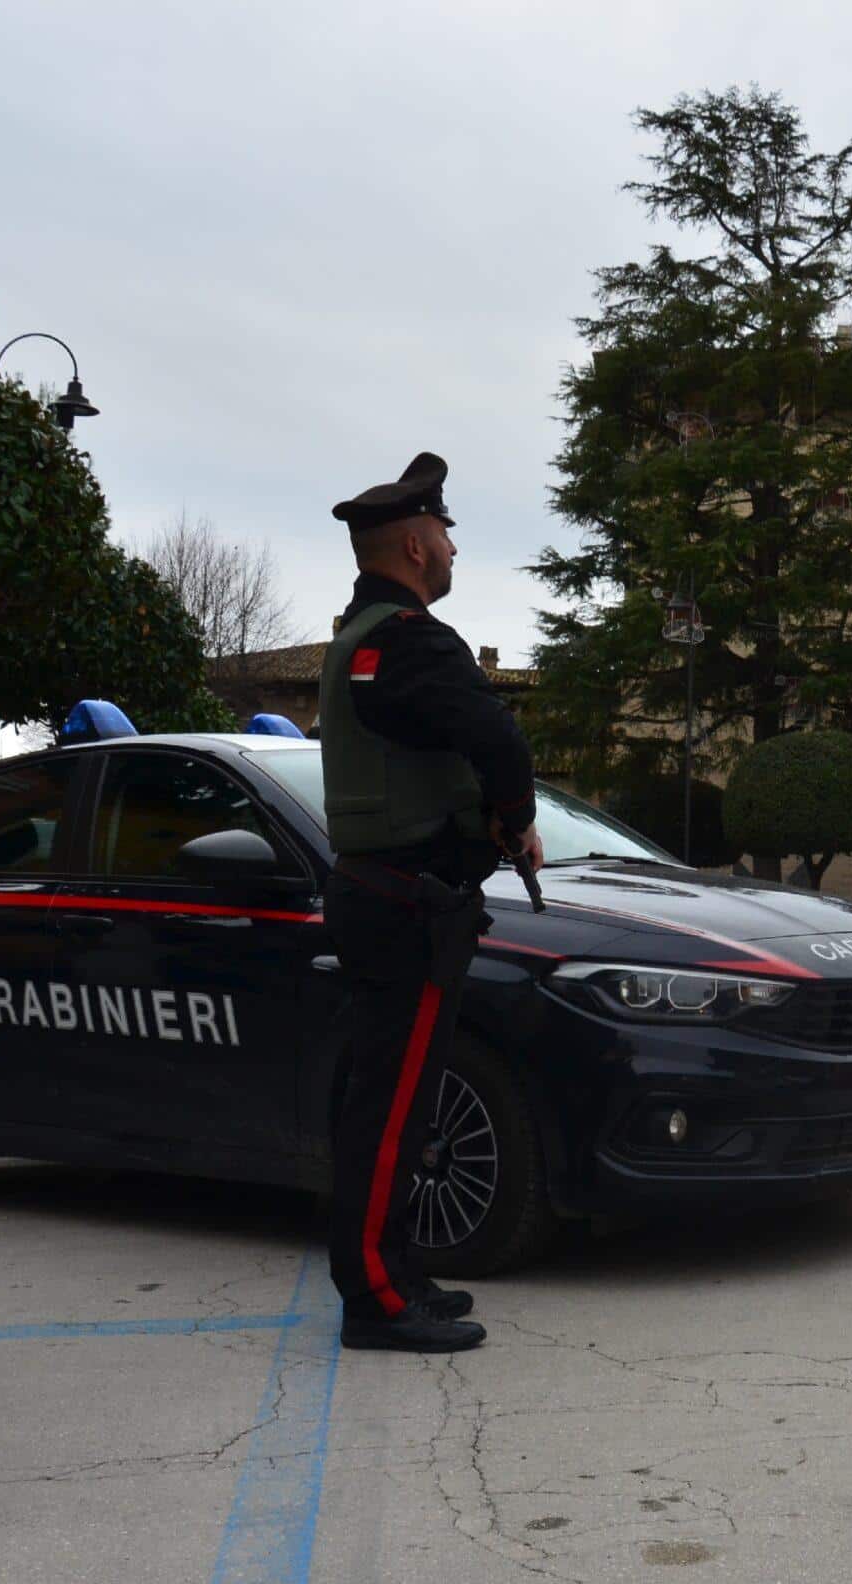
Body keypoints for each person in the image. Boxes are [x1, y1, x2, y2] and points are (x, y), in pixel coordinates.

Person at [318, 452, 543, 1352]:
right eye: (444, 534)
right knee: (389, 1111)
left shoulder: (365, 637)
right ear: (414, 546)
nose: (452, 549)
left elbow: (429, 751)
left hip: (392, 900)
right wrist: (515, 816)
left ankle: (397, 1272)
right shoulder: (408, 640)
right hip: (406, 908)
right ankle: (376, 1299)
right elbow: (496, 737)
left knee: (401, 1104)